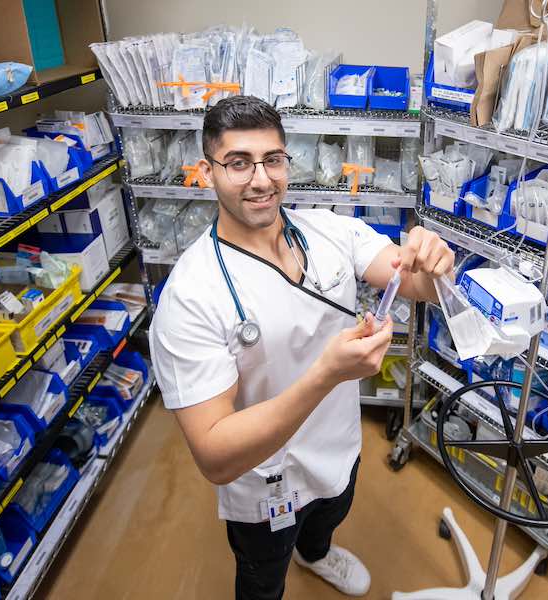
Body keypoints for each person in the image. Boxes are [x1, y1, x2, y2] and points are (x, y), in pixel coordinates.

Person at [149, 95, 454, 600]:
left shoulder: (328, 229)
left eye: (272, 159)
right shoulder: (191, 296)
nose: (261, 179)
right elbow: (215, 455)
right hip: (267, 479)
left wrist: (433, 260)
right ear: (207, 171)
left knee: (328, 518)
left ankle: (315, 554)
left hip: (338, 446)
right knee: (262, 575)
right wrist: (326, 374)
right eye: (238, 163)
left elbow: (412, 282)